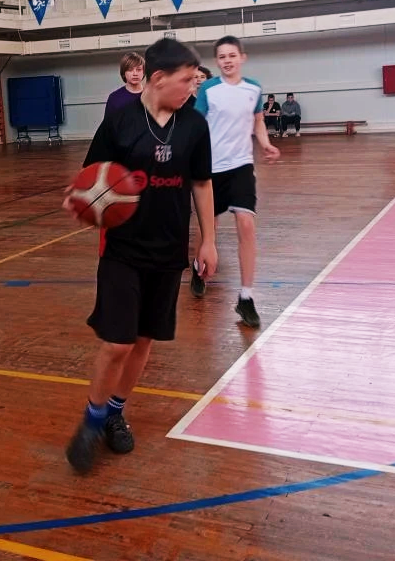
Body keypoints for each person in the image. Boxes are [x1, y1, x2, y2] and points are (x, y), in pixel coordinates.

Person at [64, 38, 218, 474]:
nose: (192, 87)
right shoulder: (119, 122)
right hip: (123, 249)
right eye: (186, 80)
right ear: (158, 78)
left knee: (144, 340)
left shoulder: (194, 125)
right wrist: (81, 200)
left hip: (169, 250)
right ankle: (92, 420)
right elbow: (91, 177)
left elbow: (202, 183)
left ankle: (115, 411)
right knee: (118, 342)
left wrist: (208, 240)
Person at [190, 36, 280, 328]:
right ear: (217, 61)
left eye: (232, 55)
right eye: (222, 57)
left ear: (242, 57)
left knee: (246, 224)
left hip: (241, 166)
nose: (227, 60)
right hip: (211, 169)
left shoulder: (253, 88)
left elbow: (258, 121)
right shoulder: (208, 90)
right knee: (209, 229)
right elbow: (195, 126)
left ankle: (246, 296)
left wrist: (265, 143)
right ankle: (198, 267)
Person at [104, 52, 144, 117]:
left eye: (138, 70)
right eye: (130, 70)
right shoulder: (114, 98)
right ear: (124, 73)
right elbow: (108, 123)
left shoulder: (153, 96)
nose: (135, 73)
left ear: (143, 72)